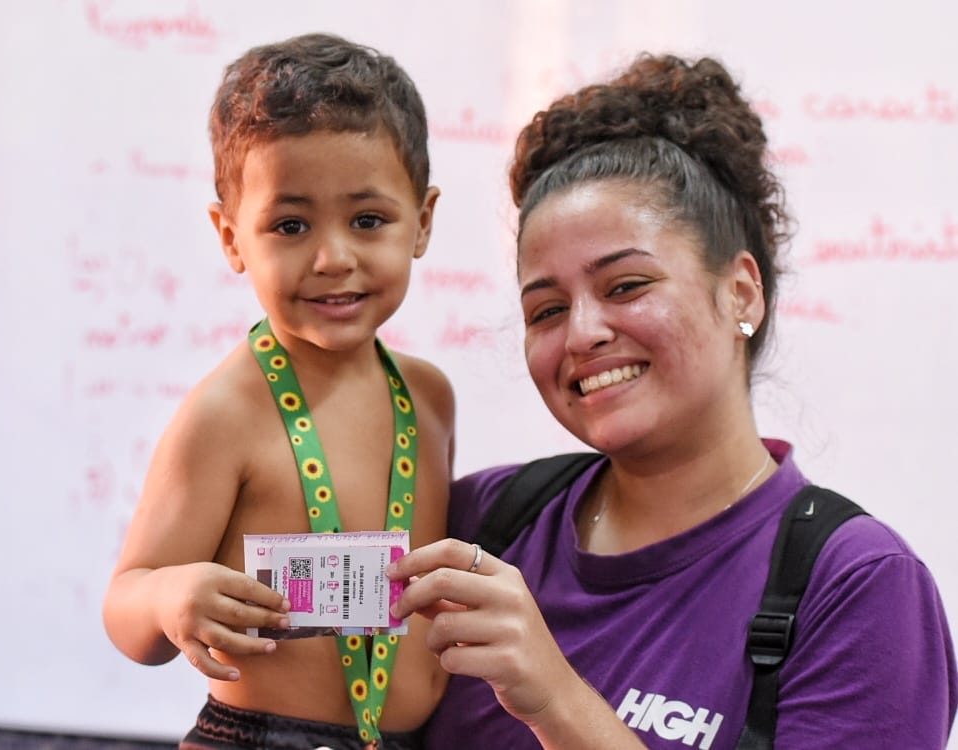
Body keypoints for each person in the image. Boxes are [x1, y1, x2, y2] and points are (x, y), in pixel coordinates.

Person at [388, 53, 958, 749]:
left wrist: (558, 700)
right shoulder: (485, 524)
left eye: (626, 286)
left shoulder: (857, 590)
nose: (583, 333)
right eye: (546, 310)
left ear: (742, 291)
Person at [102, 33, 454, 750]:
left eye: (368, 220)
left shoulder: (430, 396)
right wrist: (168, 597)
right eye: (290, 225)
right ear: (231, 236)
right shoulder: (224, 412)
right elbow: (125, 601)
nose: (333, 257)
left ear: (422, 221)